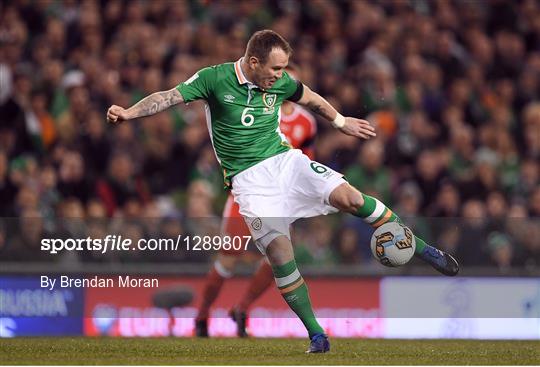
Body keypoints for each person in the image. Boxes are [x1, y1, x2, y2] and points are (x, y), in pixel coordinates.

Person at [107, 30, 459, 353]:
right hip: (249, 182)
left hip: (286, 162)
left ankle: (425, 251)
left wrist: (340, 122)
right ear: (254, 61)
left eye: (284, 68)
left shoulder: (280, 83)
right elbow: (167, 97)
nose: (280, 75)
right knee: (279, 254)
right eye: (275, 68)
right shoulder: (214, 78)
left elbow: (310, 98)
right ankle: (316, 335)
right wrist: (129, 112)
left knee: (351, 197)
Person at [194, 63, 318, 338]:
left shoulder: (306, 122)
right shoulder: (258, 108)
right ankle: (202, 316)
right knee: (229, 257)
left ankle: (242, 308)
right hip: (246, 193)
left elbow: (306, 160)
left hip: (280, 199)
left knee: (279, 258)